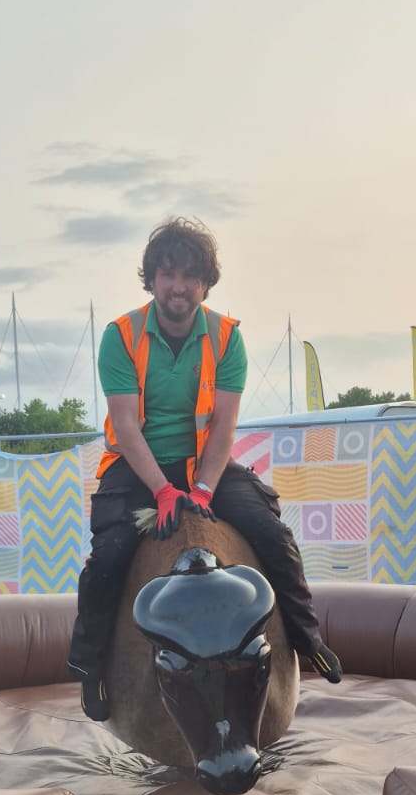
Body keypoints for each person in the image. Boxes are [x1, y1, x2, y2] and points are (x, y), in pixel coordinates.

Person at [68, 217, 343, 720]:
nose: (179, 286)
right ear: (151, 279)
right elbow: (125, 427)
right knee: (109, 556)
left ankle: (308, 639)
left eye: (190, 276)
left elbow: (223, 426)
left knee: (272, 532)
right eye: (168, 274)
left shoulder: (226, 337)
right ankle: (91, 668)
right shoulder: (120, 336)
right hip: (137, 466)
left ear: (205, 283)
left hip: (203, 464)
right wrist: (162, 490)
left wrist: (202, 490)